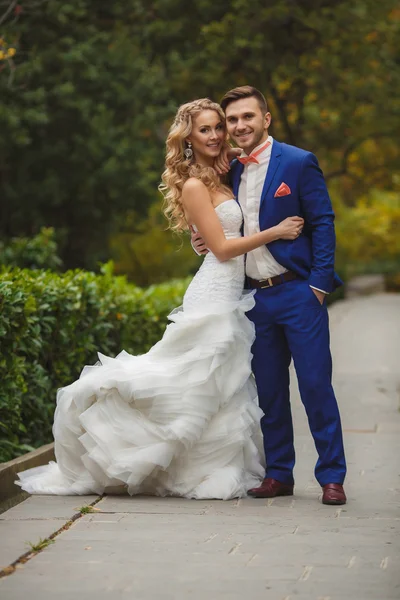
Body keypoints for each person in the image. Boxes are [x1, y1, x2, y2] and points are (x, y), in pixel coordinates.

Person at [16, 98, 304, 500]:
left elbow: (232, 209)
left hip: (233, 290)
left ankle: (207, 463)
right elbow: (222, 250)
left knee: (219, 384)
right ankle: (140, 455)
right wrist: (276, 232)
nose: (216, 134)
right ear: (188, 138)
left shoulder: (224, 175)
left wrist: (206, 231)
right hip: (214, 291)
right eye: (205, 129)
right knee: (197, 379)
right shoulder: (193, 184)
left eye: (218, 127)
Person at [192, 87, 347, 505]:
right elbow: (222, 227)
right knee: (270, 392)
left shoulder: (298, 162)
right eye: (232, 121)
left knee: (315, 386)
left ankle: (332, 476)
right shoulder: (230, 170)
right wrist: (200, 241)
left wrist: (318, 285)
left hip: (298, 293)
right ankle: (279, 474)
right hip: (253, 298)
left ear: (266, 119)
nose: (239, 126)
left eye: (247, 117)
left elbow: (324, 222)